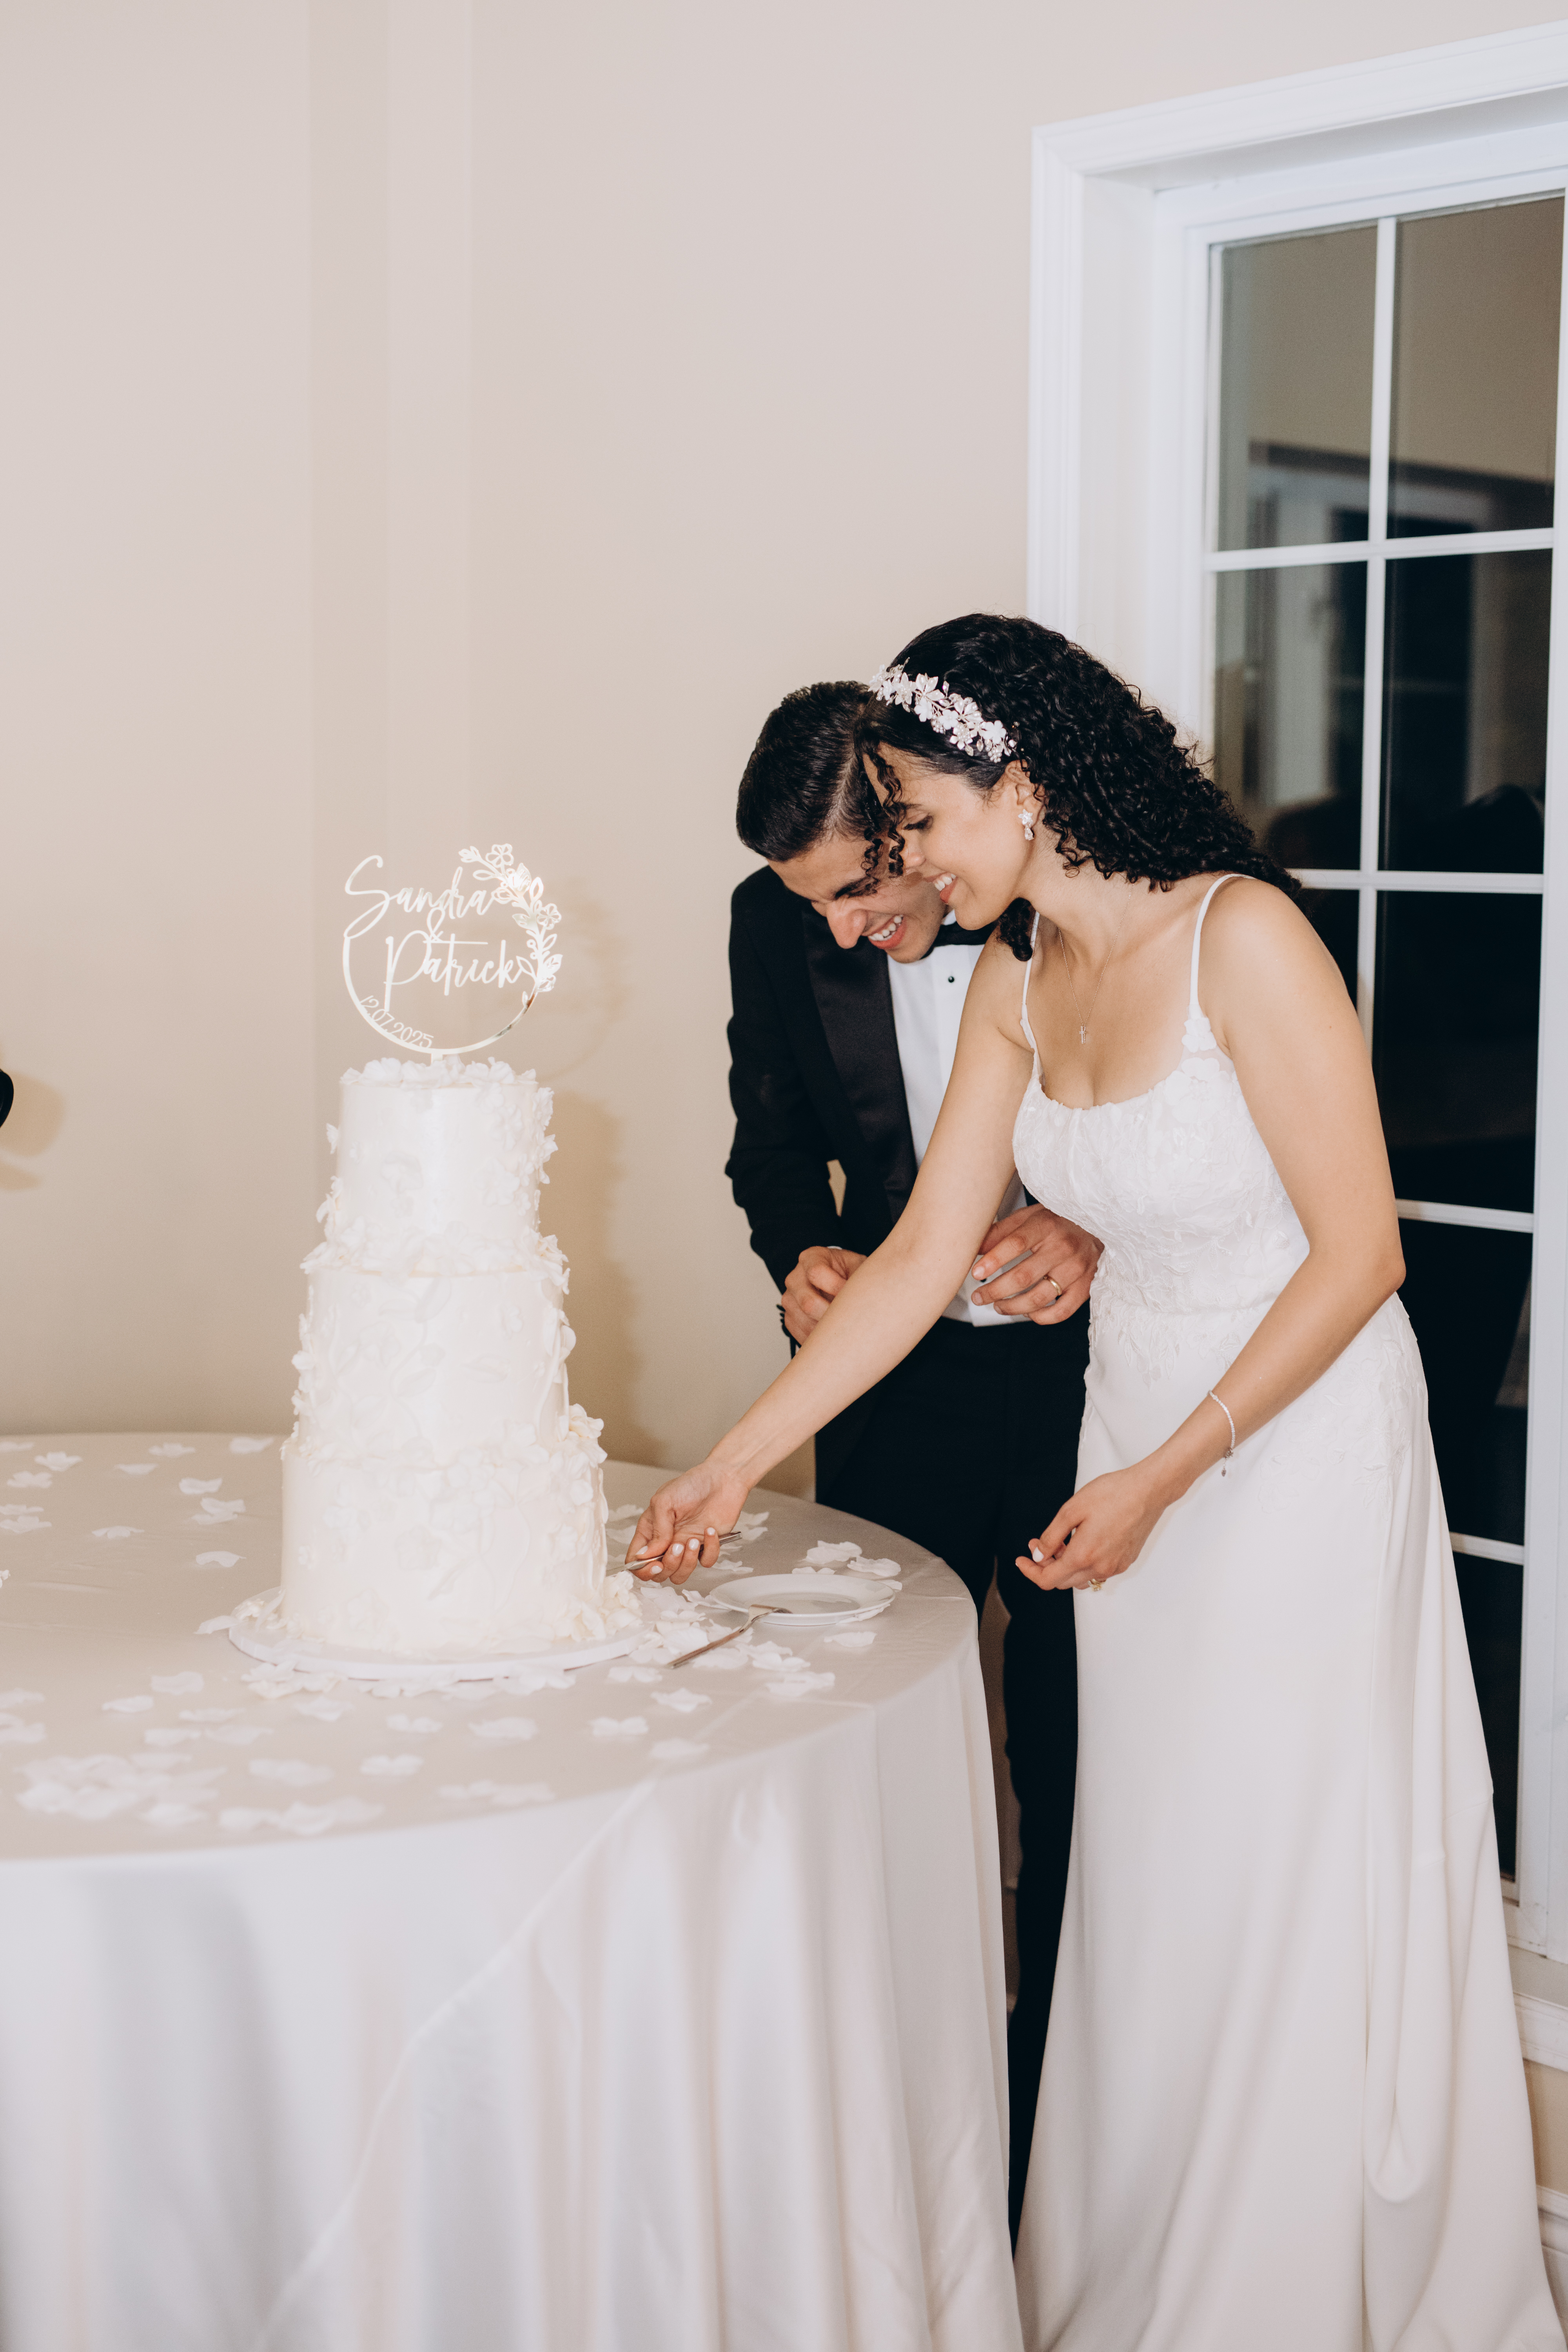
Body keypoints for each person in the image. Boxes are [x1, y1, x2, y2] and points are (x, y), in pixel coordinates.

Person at [629, 616, 1561, 2350]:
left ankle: (1279, 2277)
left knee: (1275, 1850)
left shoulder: (1246, 936)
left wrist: (1164, 1478)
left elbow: (1359, 1257)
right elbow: (918, 1263)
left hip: (1285, 1445)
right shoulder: (1017, 973)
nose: (909, 860)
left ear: (1027, 786)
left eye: (919, 821)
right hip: (1129, 1432)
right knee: (1156, 1858)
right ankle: (1143, 2256)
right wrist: (729, 1468)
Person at [726, 681, 1100, 2225]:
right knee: (879, 1729)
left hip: (1092, 1387)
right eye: (806, 904)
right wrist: (800, 1256)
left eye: (857, 891)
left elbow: (1186, 1141)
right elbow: (766, 1144)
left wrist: (1093, 1231)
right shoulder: (774, 924)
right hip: (890, 1389)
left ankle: (1055, 2115)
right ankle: (884, 2097)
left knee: (1074, 1746)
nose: (833, 930)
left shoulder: (1075, 911)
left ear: (917, 825)